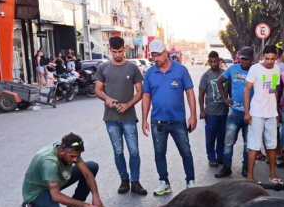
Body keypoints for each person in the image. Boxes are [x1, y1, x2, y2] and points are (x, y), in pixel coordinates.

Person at [141, 38, 197, 195]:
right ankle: (164, 182)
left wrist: (193, 116)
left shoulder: (180, 70)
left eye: (158, 55)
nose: (156, 59)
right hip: (158, 121)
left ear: (166, 53)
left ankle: (190, 181)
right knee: (159, 153)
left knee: (185, 151)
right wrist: (144, 119)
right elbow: (146, 96)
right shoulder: (150, 73)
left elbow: (190, 93)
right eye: (153, 56)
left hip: (178, 121)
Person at [22, 133, 107, 207]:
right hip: (39, 191)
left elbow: (87, 173)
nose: (75, 159)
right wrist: (86, 205)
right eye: (72, 157)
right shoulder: (49, 162)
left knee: (91, 166)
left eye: (77, 156)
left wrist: (96, 197)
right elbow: (56, 196)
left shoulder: (68, 146)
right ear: (62, 151)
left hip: (55, 179)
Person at [95, 36, 146, 195]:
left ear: (125, 48)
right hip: (110, 118)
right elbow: (97, 90)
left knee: (134, 151)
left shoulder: (132, 68)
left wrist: (128, 105)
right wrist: (107, 98)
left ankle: (135, 182)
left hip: (129, 117)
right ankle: (124, 181)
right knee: (118, 151)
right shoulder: (103, 68)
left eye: (120, 51)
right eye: (114, 51)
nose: (118, 54)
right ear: (109, 50)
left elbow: (140, 92)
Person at [243, 44, 283, 182]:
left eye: (273, 59)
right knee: (254, 145)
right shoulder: (255, 69)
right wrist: (247, 112)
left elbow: (274, 90)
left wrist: (276, 111)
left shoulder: (276, 69)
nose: (270, 62)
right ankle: (250, 176)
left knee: (272, 145)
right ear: (262, 57)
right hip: (256, 113)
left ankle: (273, 174)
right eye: (267, 59)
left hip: (271, 113)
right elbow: (247, 90)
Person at [215, 46, 254, 179]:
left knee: (248, 143)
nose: (244, 62)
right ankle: (227, 167)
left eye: (247, 59)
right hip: (235, 111)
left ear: (252, 59)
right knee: (228, 141)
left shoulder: (256, 71)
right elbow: (219, 82)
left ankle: (246, 168)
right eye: (242, 59)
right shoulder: (232, 69)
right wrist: (225, 98)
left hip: (251, 112)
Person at [199, 51, 229, 167]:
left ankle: (220, 156)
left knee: (222, 136)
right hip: (210, 112)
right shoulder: (205, 76)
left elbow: (230, 90)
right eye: (211, 62)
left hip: (224, 111)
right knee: (211, 136)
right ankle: (211, 157)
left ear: (219, 60)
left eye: (215, 61)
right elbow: (201, 94)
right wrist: (202, 111)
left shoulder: (225, 74)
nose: (213, 64)